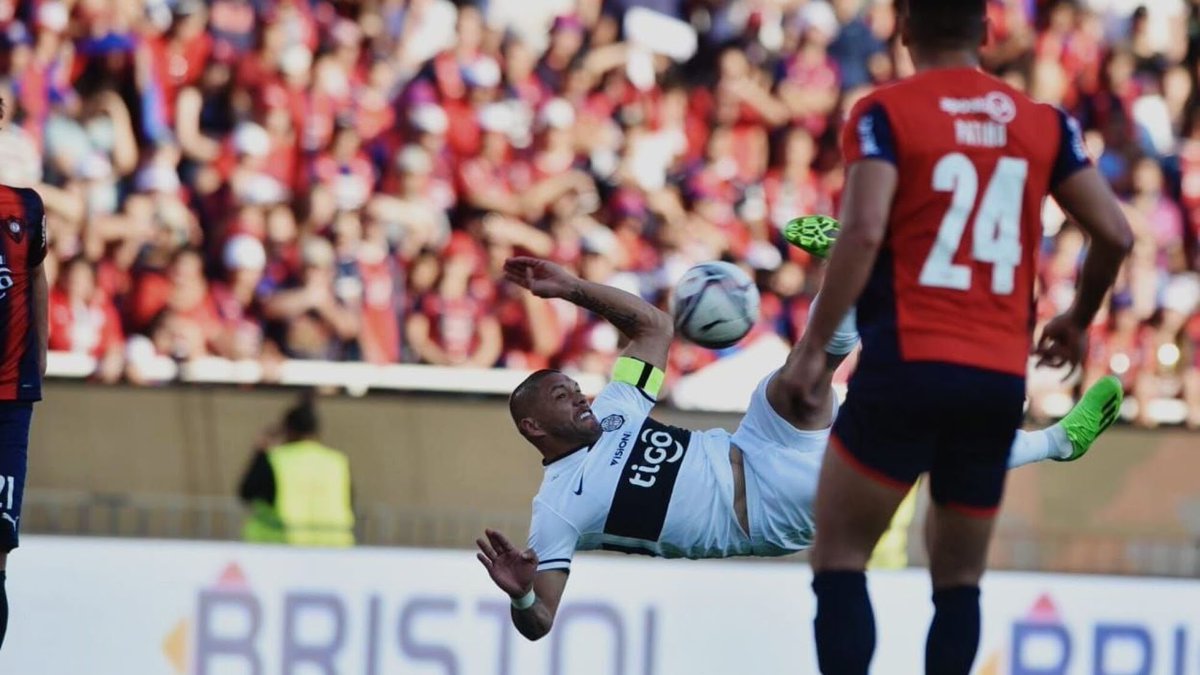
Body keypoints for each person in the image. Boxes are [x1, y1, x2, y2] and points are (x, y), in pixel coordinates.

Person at [475, 252, 1122, 642]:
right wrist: (522, 594)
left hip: (753, 443)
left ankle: (852, 275)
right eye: (561, 398)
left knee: (798, 375)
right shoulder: (558, 508)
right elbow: (543, 618)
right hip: (762, 509)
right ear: (534, 427)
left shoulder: (616, 407)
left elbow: (654, 325)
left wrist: (571, 288)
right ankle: (1059, 441)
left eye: (572, 387)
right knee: (899, 443)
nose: (579, 397)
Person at [786, 1, 1134, 672]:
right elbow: (1115, 232)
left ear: (904, 28)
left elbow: (860, 232)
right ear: (985, 31)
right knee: (958, 582)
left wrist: (811, 353)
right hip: (996, 377)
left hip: (908, 364)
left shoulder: (884, 111)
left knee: (839, 556)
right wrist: (1077, 318)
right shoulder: (1042, 123)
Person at [0, 95, 48, 650]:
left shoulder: (25, 207)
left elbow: (36, 276)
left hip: (9, 401)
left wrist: (41, 354)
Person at [238, 393, 356, 547]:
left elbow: (247, 492)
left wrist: (260, 451)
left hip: (285, 547)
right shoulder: (336, 462)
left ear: (287, 430)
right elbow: (349, 500)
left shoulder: (276, 459)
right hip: (333, 547)